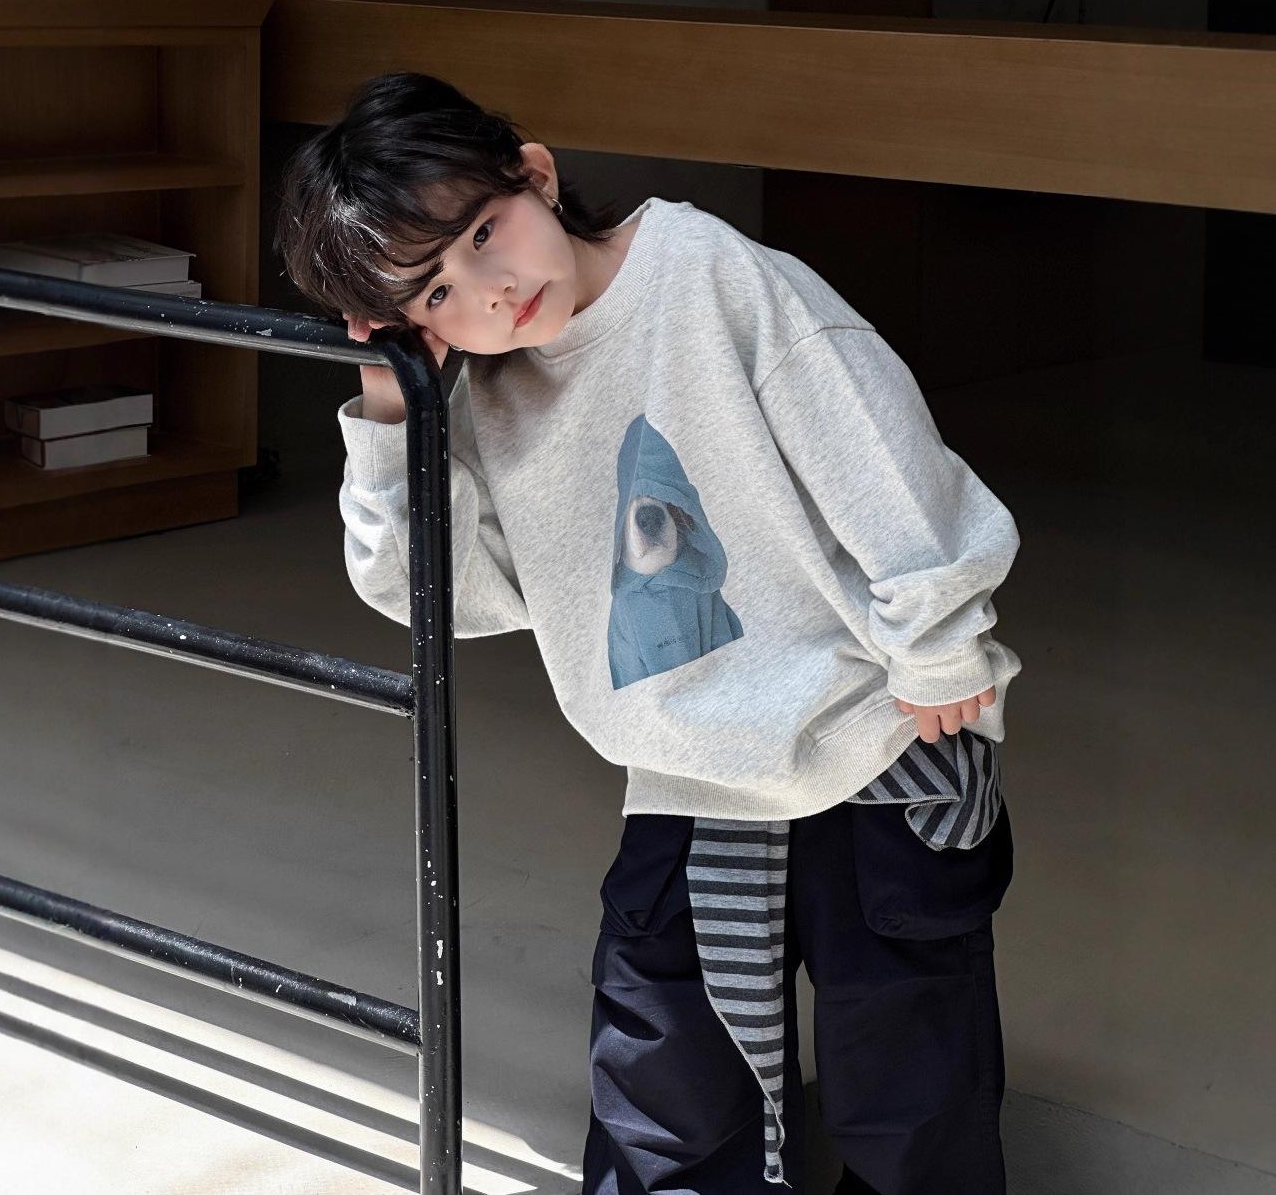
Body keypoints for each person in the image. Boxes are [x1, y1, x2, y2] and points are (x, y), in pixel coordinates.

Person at [273, 71, 1022, 1195]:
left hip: (870, 742)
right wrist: (393, 409)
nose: (490, 292)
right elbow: (437, 594)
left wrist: (940, 645)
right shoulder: (485, 389)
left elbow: (880, 452)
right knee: (662, 1087)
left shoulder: (709, 276)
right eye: (434, 293)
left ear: (534, 174)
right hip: (680, 775)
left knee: (908, 1081)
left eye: (483, 233)